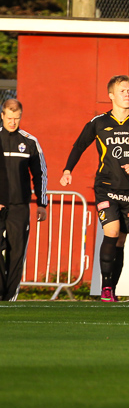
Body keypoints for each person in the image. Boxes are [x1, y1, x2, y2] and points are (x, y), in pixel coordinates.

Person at [60, 76, 129, 302]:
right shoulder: (99, 122)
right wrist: (67, 170)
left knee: (121, 241)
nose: (127, 94)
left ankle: (112, 288)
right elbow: (79, 145)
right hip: (105, 186)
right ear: (111, 95)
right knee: (111, 231)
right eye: (122, 91)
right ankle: (105, 288)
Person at [0, 99, 43, 301]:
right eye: (9, 118)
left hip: (19, 207)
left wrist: (42, 204)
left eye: (16, 118)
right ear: (2, 116)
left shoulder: (29, 141)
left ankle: (9, 298)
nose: (12, 122)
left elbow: (40, 174)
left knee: (16, 254)